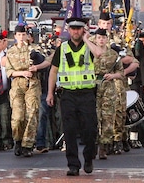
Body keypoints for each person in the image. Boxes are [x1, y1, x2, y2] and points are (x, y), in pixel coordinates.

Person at [47, 17, 97, 176]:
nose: (76, 31)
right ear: (68, 30)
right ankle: (73, 165)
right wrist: (50, 92)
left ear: (83, 30)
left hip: (87, 94)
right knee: (69, 131)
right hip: (67, 95)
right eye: (73, 29)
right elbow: (53, 71)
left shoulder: (90, 47)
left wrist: (87, 39)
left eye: (79, 29)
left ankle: (89, 158)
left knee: (90, 130)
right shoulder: (62, 49)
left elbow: (100, 54)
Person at [4, 25, 52, 158]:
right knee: (18, 116)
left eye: (23, 35)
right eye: (19, 35)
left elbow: (48, 61)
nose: (21, 37)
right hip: (17, 84)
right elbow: (8, 71)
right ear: (15, 36)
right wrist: (21, 72)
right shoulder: (11, 51)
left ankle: (28, 144)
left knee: (32, 114)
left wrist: (37, 67)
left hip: (33, 84)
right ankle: (18, 140)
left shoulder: (35, 49)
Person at [92, 28, 122, 159]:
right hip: (93, 86)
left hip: (108, 87)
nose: (101, 40)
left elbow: (121, 73)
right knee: (94, 118)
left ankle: (104, 146)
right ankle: (93, 145)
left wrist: (113, 75)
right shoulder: (90, 52)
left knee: (108, 117)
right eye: (99, 38)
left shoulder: (114, 54)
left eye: (103, 37)